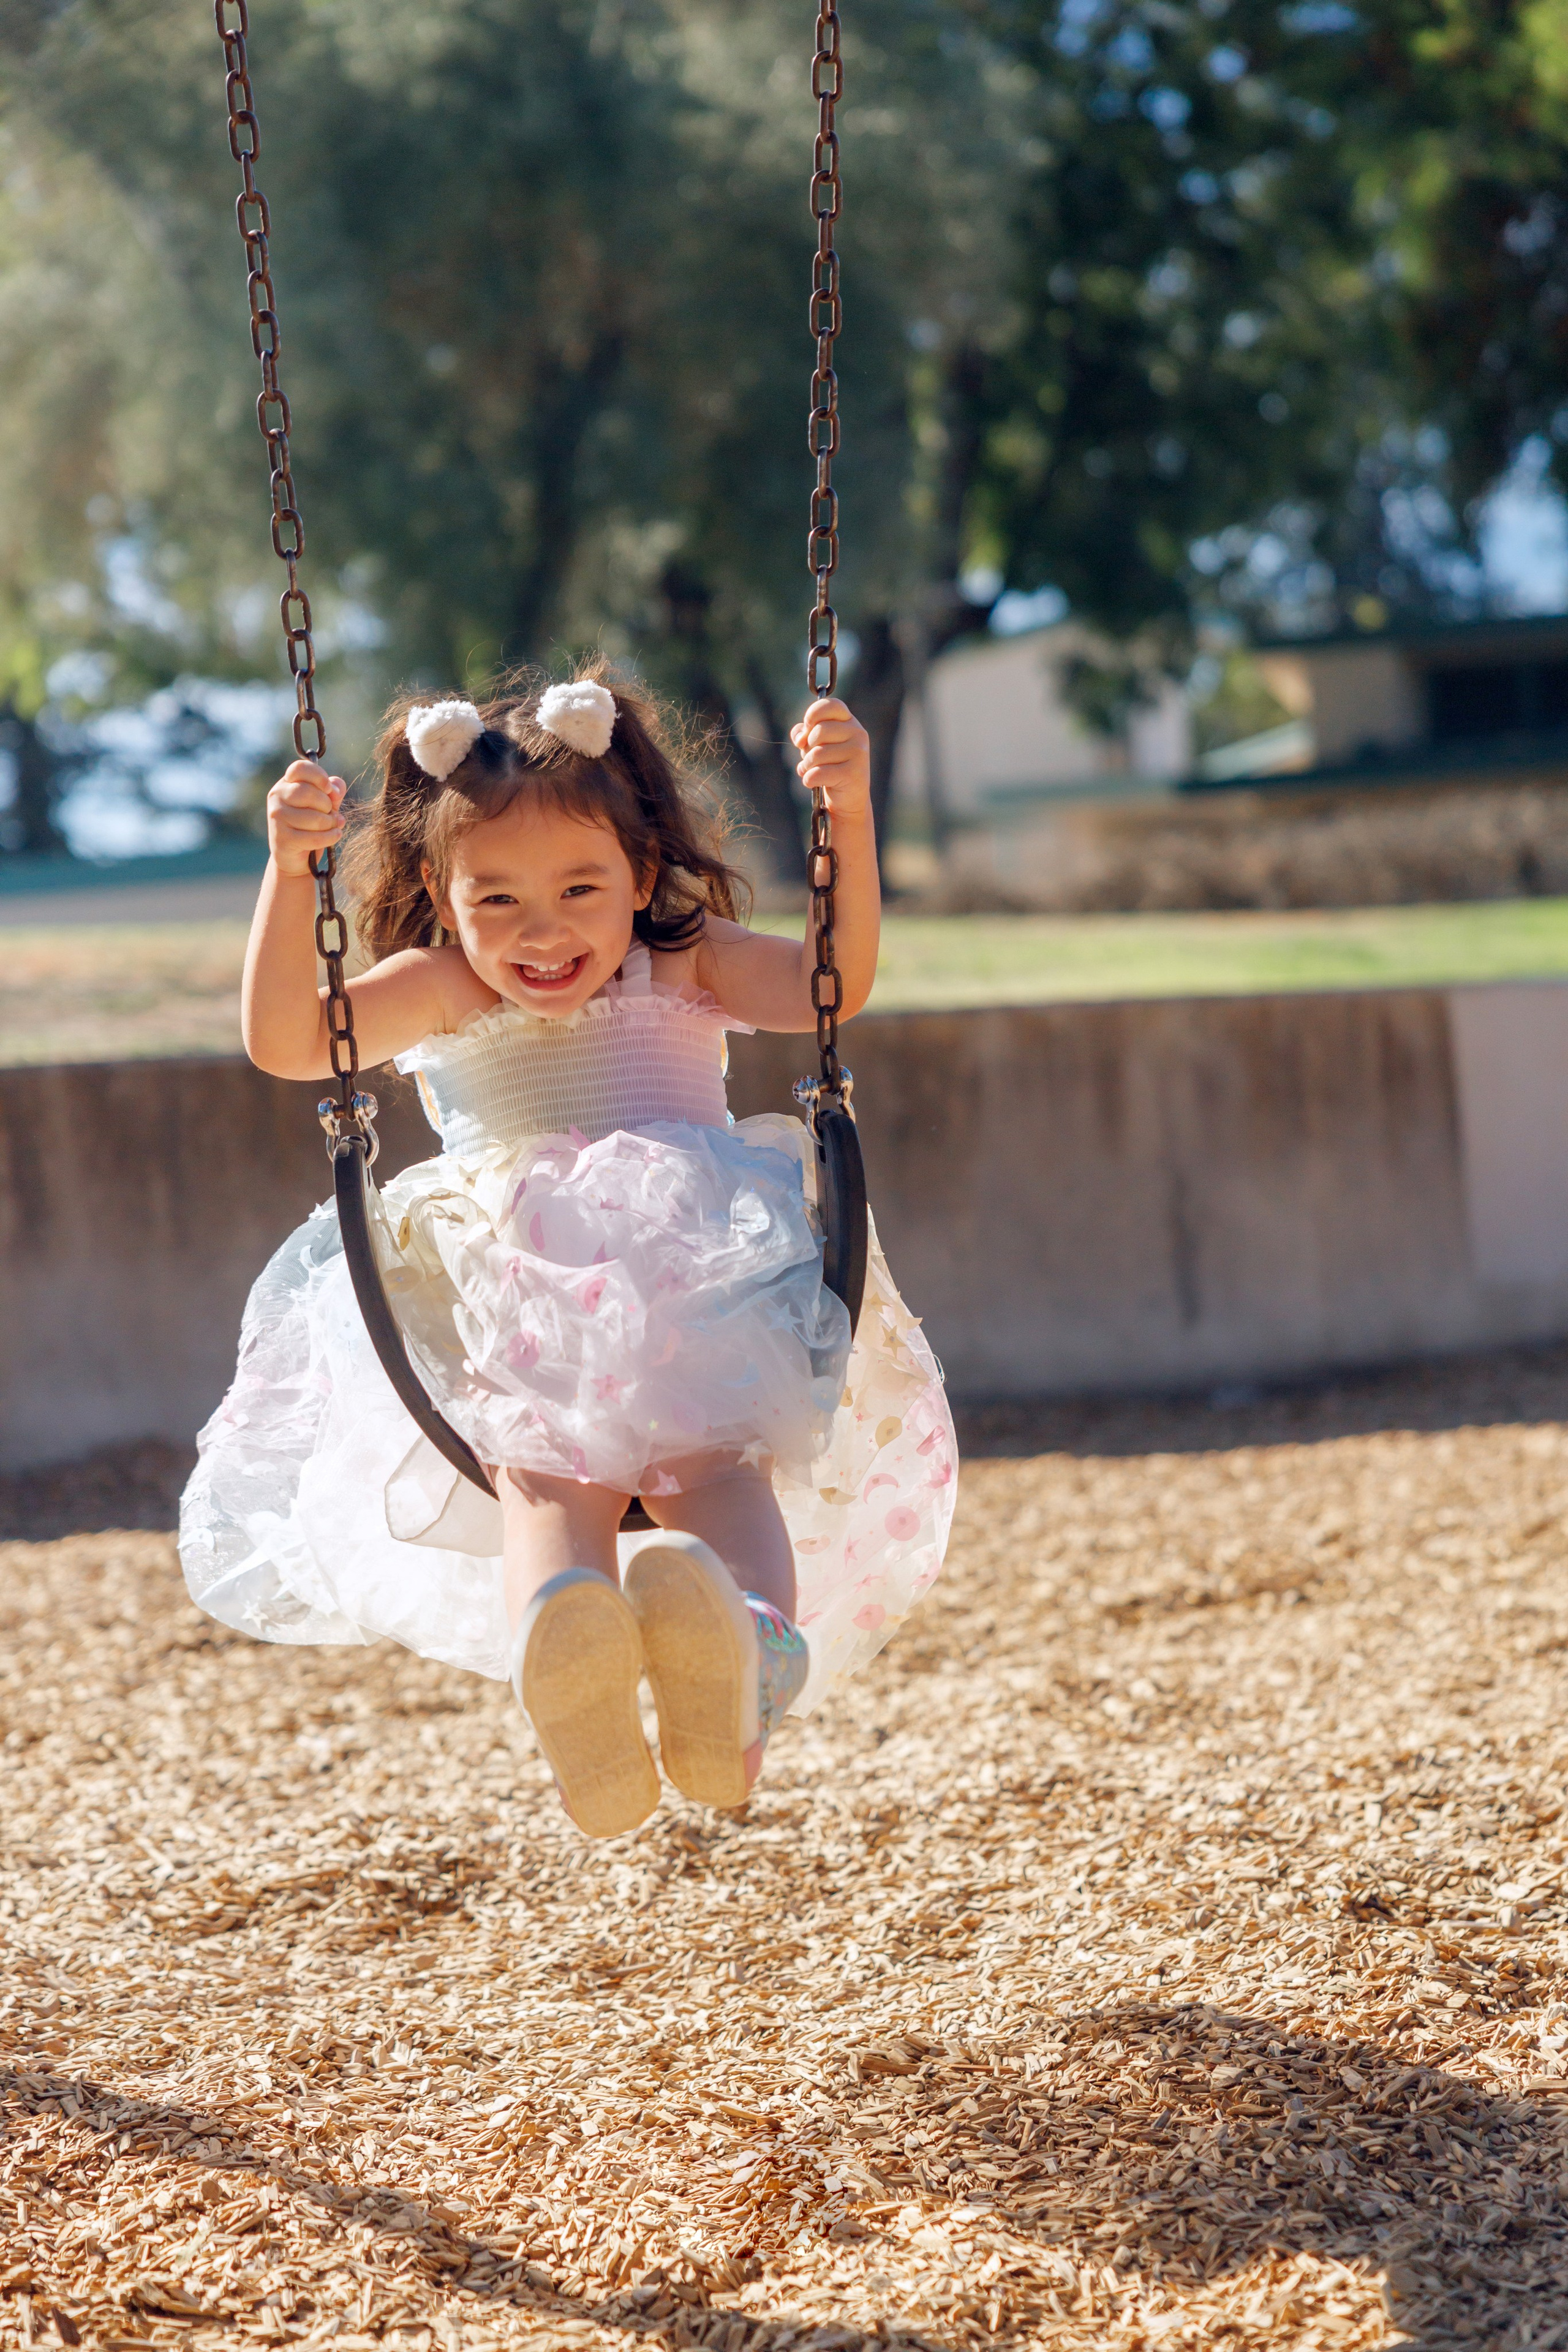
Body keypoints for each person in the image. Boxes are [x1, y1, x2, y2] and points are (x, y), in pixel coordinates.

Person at [179, 671, 956, 1837]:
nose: (542, 933)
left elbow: (825, 984)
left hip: (692, 1272)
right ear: (443, 897)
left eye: (580, 890)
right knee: (546, 1480)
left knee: (716, 1471)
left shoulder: (684, 960)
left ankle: (744, 1662)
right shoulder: (442, 987)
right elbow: (292, 1039)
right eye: (496, 900)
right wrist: (292, 874)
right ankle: (573, 1668)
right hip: (523, 1294)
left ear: (640, 876)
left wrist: (844, 810)